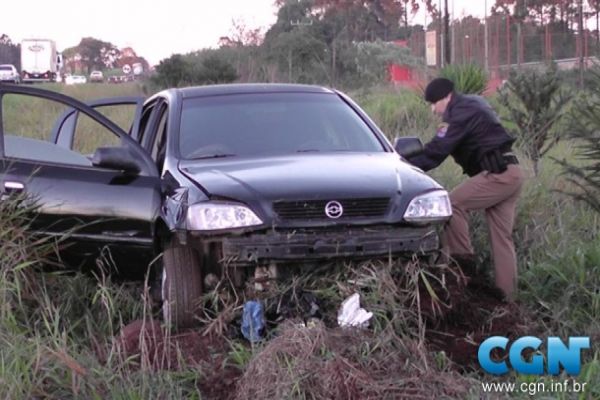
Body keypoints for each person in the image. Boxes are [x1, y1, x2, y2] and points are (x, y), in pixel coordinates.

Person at [406, 77, 524, 300]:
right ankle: (507, 298)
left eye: (434, 104)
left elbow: (437, 151)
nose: (433, 111)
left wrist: (404, 166)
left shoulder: (459, 112)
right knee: (502, 239)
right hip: (512, 173)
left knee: (453, 204)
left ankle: (462, 265)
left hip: (498, 175)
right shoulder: (474, 103)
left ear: (446, 97)